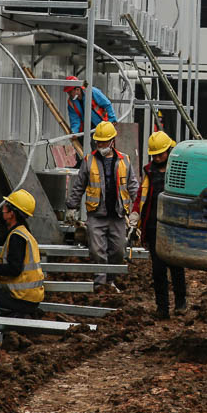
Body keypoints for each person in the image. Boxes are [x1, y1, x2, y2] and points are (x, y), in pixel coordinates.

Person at [64, 122, 139, 292]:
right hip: (96, 215)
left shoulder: (124, 160)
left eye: (104, 142)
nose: (100, 145)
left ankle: (110, 281)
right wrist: (72, 207)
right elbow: (79, 186)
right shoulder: (89, 160)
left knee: (118, 251)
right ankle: (100, 285)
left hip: (117, 215)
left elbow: (134, 187)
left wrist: (137, 210)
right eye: (98, 142)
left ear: (112, 141)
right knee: (97, 251)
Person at [139, 130, 187, 318]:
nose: (158, 158)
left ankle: (181, 302)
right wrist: (137, 219)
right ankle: (162, 308)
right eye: (155, 155)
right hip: (154, 227)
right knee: (158, 271)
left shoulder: (178, 170)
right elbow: (142, 197)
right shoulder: (148, 172)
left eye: (161, 154)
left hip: (173, 226)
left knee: (176, 267)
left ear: (169, 150)